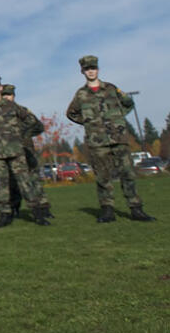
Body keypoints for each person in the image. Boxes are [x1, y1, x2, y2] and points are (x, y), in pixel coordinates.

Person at [66, 56, 155, 223]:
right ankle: (107, 211)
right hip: (97, 142)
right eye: (87, 69)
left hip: (118, 138)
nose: (91, 71)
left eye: (93, 68)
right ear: (83, 72)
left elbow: (128, 102)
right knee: (103, 177)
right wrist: (89, 122)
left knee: (128, 174)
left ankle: (136, 209)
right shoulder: (81, 94)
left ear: (98, 69)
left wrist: (118, 117)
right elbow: (71, 113)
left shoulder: (111, 89)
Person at [0, 74, 50, 228]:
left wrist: (19, 134)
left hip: (16, 151)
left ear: (0, 87)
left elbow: (31, 120)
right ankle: (5, 215)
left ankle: (37, 213)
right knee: (3, 186)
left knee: (25, 183)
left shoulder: (11, 106)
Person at [2, 84, 51, 220]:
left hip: (26, 150)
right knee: (13, 183)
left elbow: (38, 126)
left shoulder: (22, 111)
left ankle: (44, 208)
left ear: (14, 96)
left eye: (9, 95)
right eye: (4, 95)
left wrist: (24, 134)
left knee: (34, 180)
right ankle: (14, 209)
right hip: (9, 152)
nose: (7, 98)